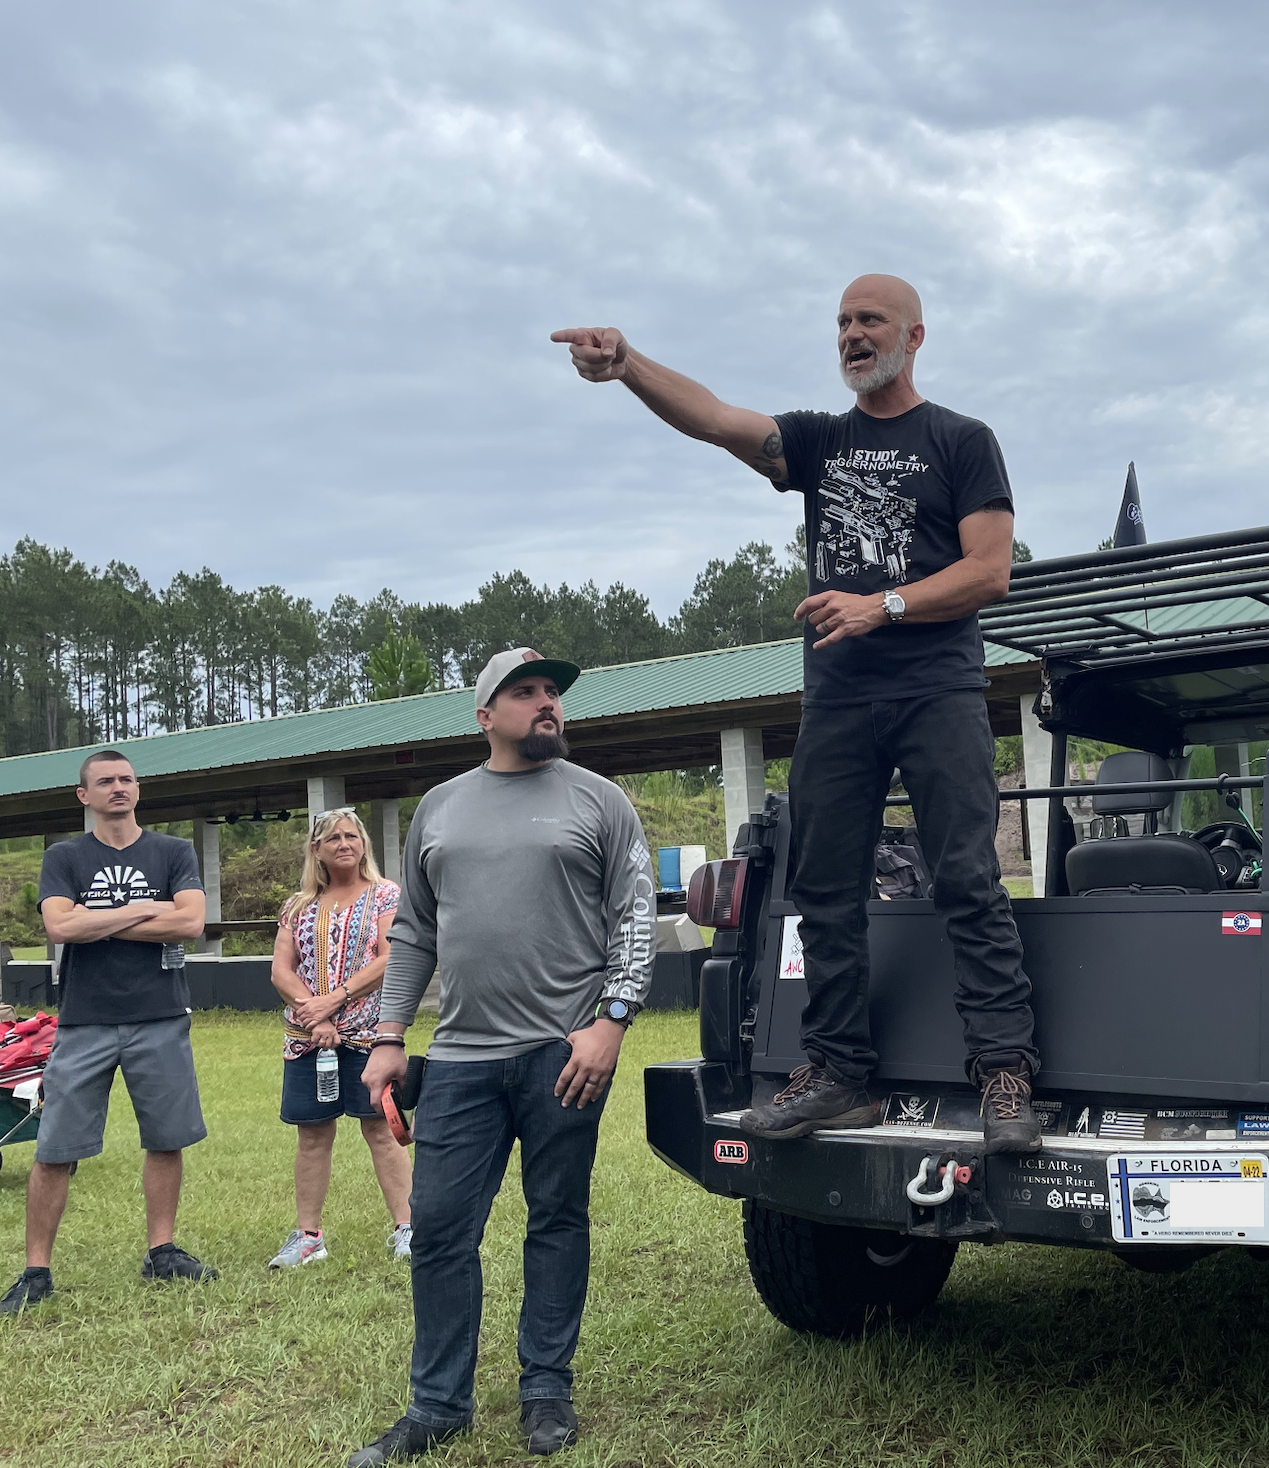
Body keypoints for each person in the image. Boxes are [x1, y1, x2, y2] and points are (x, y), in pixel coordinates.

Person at [550, 273, 1043, 1155]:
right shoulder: (821, 441)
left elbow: (990, 571)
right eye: (843, 323)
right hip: (841, 702)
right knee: (823, 890)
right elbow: (713, 417)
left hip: (938, 691)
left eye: (871, 321)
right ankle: (839, 1074)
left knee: (968, 879)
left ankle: (1005, 1074)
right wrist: (628, 365)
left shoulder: (962, 440)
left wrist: (879, 604)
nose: (853, 334)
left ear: (914, 336)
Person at [346, 648, 654, 1466]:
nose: (546, 703)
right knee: (441, 1228)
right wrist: (385, 1038)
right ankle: (438, 1405)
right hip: (458, 1062)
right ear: (485, 715)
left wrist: (612, 1020)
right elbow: (414, 929)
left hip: (564, 1054)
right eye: (526, 693)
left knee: (557, 1219)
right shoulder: (440, 808)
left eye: (552, 692)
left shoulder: (600, 801)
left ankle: (546, 1389)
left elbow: (633, 915)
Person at [1, 750, 213, 1317]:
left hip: (160, 1017)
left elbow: (190, 922)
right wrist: (144, 908)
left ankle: (161, 1251)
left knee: (165, 1139)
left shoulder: (172, 851)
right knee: (54, 1148)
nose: (118, 788)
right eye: (105, 781)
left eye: (126, 779)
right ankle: (36, 1270)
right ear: (84, 795)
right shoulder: (65, 855)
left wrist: (100, 922)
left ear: (137, 789)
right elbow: (59, 925)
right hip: (85, 1020)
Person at [265, 806, 412, 1270]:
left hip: (370, 1036)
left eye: (352, 836)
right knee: (312, 1136)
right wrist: (317, 1017)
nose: (344, 844)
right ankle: (308, 1237)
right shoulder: (298, 905)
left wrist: (336, 1000)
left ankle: (408, 1228)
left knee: (381, 1129)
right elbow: (281, 970)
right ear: (317, 850)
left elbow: (390, 958)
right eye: (333, 839)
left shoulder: (386, 895)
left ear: (364, 844)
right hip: (308, 1040)